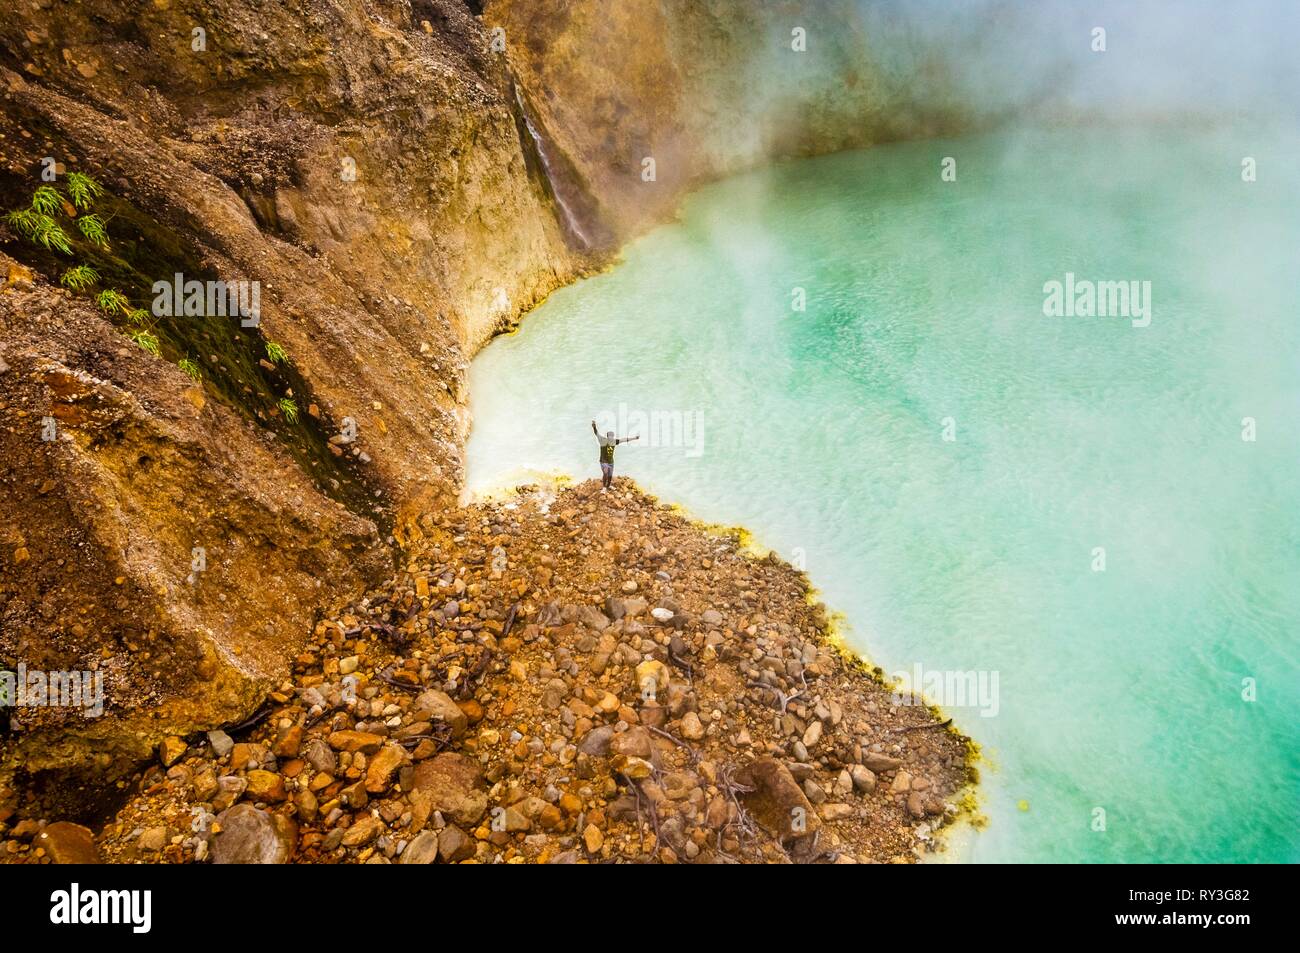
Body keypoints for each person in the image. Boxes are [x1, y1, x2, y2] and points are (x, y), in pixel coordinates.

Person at [592, 420, 638, 490]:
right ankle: (604, 488)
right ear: (607, 436)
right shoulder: (602, 440)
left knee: (610, 475)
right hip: (603, 461)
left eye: (612, 436)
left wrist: (634, 438)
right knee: (605, 472)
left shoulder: (614, 441)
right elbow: (596, 433)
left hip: (611, 462)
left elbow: (624, 440)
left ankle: (608, 486)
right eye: (610, 436)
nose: (611, 438)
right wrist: (594, 426)